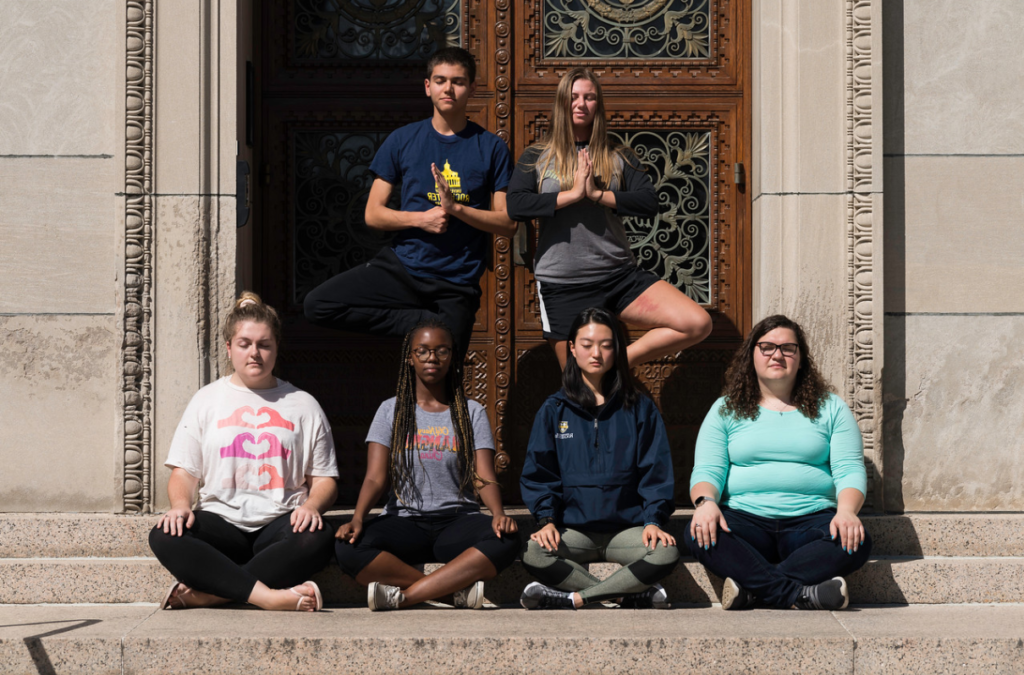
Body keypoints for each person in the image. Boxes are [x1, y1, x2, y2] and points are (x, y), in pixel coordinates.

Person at [303, 46, 515, 355]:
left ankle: (436, 326)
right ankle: (423, 323)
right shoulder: (402, 140)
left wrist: (456, 209)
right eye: (440, 80)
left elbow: (507, 223)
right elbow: (373, 215)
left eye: (457, 81)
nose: (448, 88)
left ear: (472, 88)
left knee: (445, 386)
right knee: (318, 304)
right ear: (428, 86)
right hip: (402, 270)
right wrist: (421, 219)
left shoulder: (491, 148)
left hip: (456, 284)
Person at [506, 68, 712, 369]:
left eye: (589, 97)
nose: (581, 103)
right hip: (563, 285)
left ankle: (618, 363)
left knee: (697, 322)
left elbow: (648, 201)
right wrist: (573, 195)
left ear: (598, 105)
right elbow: (516, 205)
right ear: (562, 102)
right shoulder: (537, 156)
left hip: (618, 277)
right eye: (574, 97)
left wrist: (597, 195)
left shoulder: (619, 155)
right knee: (580, 387)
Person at [149, 292, 339, 611]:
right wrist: (180, 505)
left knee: (317, 538)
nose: (255, 353)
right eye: (245, 344)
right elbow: (184, 471)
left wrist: (313, 506)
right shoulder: (207, 400)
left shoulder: (304, 404)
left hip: (280, 523)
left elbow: (324, 480)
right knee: (164, 535)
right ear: (229, 348)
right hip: (221, 524)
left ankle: (209, 594)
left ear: (276, 348)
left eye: (264, 344)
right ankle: (269, 597)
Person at [686, 314, 872, 611]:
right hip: (744, 519)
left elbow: (849, 468)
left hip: (810, 521)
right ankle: (798, 595)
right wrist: (706, 502)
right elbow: (709, 468)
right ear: (752, 355)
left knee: (857, 542)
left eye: (788, 348)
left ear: (801, 358)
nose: (777, 354)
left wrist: (847, 511)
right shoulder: (726, 409)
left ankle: (752, 591)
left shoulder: (831, 407)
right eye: (767, 347)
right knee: (699, 533)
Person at [335, 319, 520, 610]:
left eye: (442, 351)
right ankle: (449, 594)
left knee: (507, 539)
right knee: (348, 547)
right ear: (410, 358)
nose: (432, 358)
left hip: (457, 521)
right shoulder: (390, 410)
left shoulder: (471, 411)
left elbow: (483, 476)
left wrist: (498, 513)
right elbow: (374, 477)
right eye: (422, 351)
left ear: (452, 358)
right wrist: (358, 517)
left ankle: (407, 596)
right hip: (405, 522)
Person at [519, 307, 679, 610]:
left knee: (666, 553)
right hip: (574, 531)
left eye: (606, 345)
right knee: (533, 552)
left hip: (628, 530)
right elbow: (540, 472)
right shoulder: (554, 409)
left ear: (617, 349)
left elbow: (655, 470)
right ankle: (625, 595)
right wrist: (546, 519)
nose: (597, 353)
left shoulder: (639, 408)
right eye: (588, 344)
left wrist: (654, 519)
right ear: (572, 348)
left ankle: (576, 598)